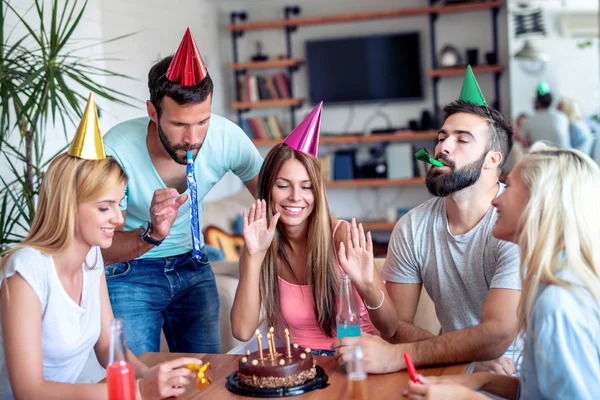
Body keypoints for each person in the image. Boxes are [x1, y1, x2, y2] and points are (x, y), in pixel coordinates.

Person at [0, 94, 202, 400]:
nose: (119, 218)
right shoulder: (26, 270)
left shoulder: (91, 258)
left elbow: (110, 348)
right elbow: (28, 391)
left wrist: (156, 377)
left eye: (119, 204)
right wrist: (136, 391)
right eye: (104, 208)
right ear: (69, 206)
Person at [332, 66, 521, 374]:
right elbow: (395, 327)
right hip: (450, 371)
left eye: (462, 140)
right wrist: (467, 360)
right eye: (442, 136)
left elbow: (497, 334)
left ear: (492, 159)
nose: (442, 147)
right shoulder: (413, 227)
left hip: (520, 376)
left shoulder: (514, 222)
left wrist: (458, 359)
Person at [100, 29, 263, 355]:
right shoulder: (115, 151)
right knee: (136, 383)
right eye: (179, 125)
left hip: (195, 267)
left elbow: (278, 196)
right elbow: (101, 250)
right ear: (152, 111)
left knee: (207, 378)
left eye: (202, 121)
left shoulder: (226, 137)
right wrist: (151, 234)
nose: (193, 138)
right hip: (129, 273)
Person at [405, 143, 600, 399]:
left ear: (538, 202)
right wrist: (480, 381)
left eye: (511, 187)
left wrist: (463, 397)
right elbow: (537, 392)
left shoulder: (557, 305)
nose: (497, 199)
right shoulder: (551, 284)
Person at [230, 103, 396, 354]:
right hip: (298, 365)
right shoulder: (260, 245)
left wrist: (367, 285)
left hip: (353, 359)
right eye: (283, 186)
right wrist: (254, 256)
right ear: (267, 190)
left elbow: (391, 328)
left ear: (317, 193)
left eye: (306, 187)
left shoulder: (340, 236)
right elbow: (242, 331)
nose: (296, 197)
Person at [521, 80, 570, 149]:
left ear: (537, 102)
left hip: (540, 157)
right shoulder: (562, 117)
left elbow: (524, 143)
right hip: (562, 156)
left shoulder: (529, 121)